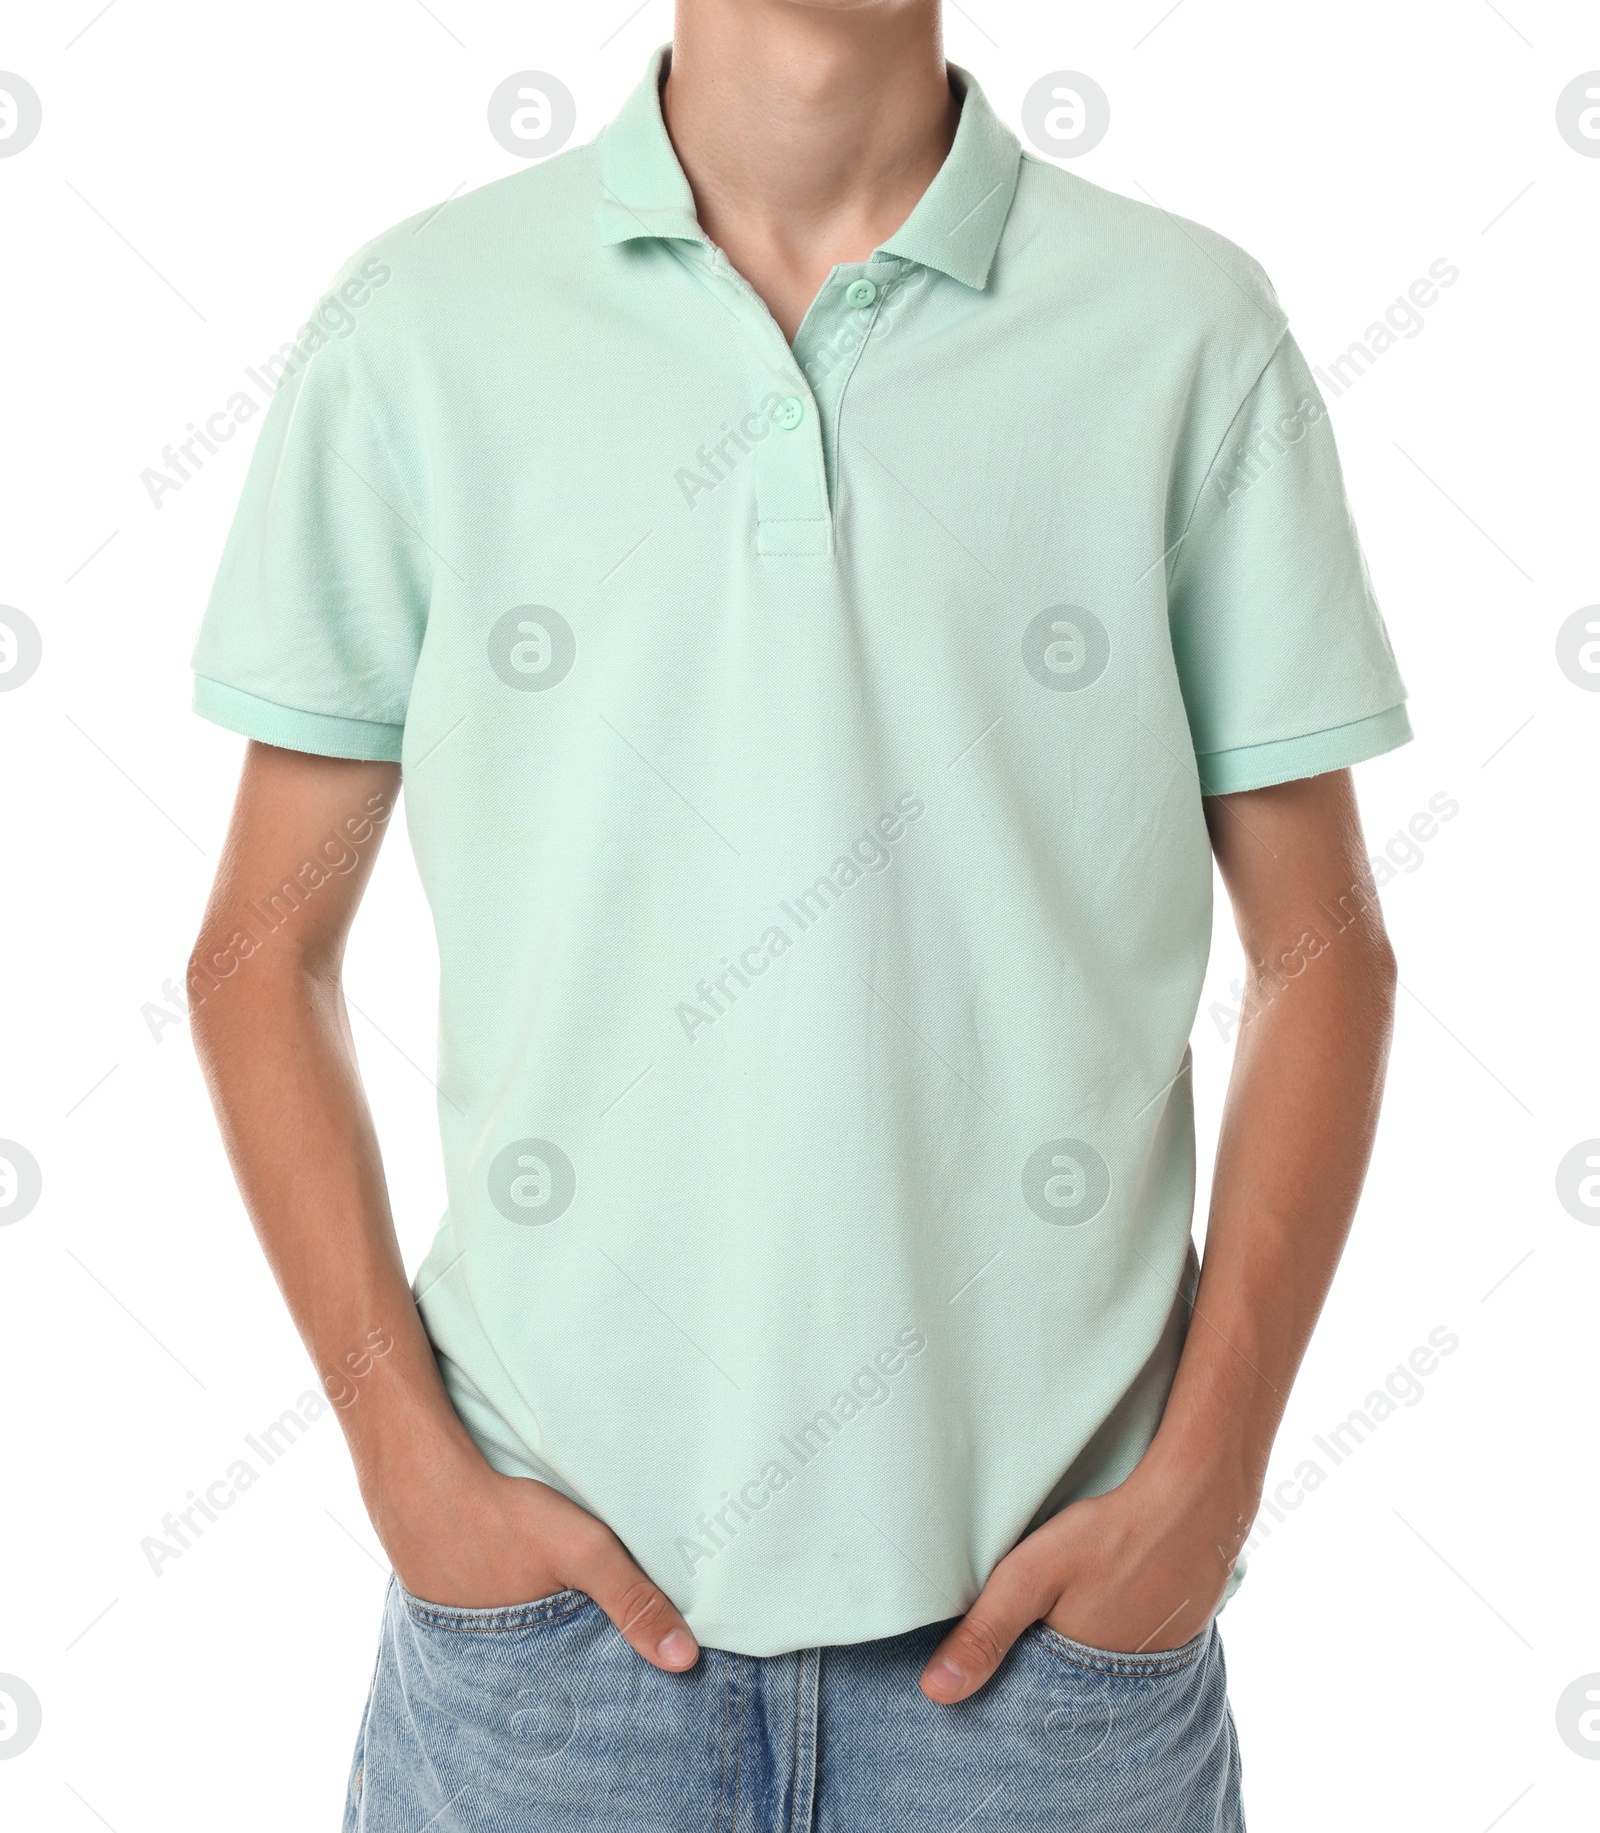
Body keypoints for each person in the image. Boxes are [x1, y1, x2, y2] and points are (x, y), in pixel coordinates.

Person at [187, 3, 1408, 1827]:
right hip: (550, 1655)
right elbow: (257, 954)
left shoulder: (1184, 330)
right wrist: (401, 1460)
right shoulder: (419, 327)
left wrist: (1210, 1477)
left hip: (1046, 1663)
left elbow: (1325, 957)